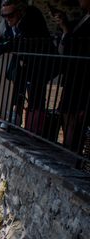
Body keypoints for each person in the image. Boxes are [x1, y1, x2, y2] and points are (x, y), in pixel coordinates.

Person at [54, 0, 90, 153]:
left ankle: (72, 151)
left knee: (77, 115)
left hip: (83, 76)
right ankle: (69, 149)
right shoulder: (83, 17)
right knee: (66, 112)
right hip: (73, 74)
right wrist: (64, 26)